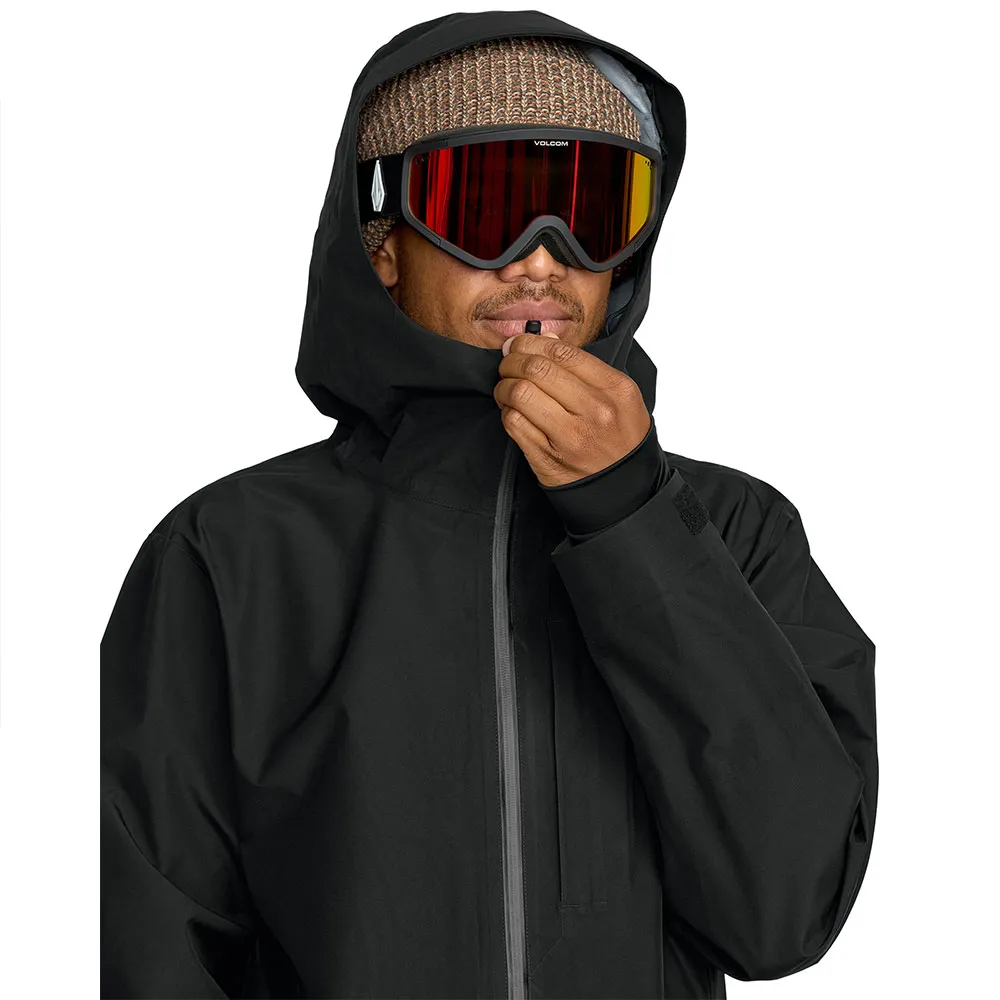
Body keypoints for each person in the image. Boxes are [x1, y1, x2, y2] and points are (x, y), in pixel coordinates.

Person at [100, 12, 878, 1000]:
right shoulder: (234, 555)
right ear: (384, 243)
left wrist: (634, 520)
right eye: (485, 204)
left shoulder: (735, 533)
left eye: (592, 209)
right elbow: (152, 947)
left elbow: (784, 913)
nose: (540, 260)